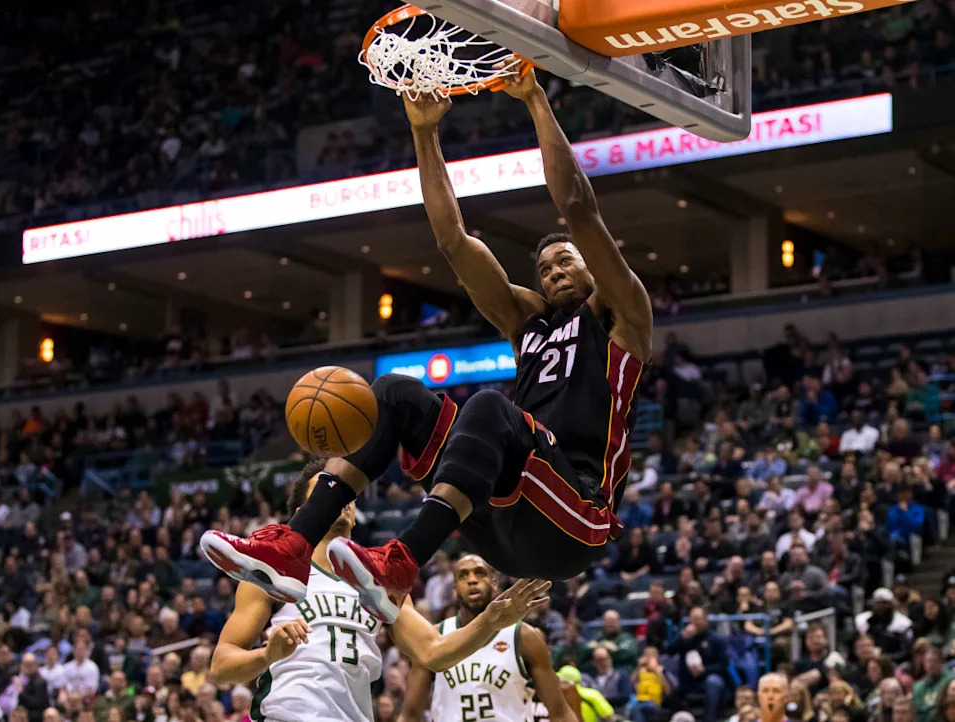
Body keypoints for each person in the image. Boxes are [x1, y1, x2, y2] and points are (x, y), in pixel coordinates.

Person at [201, 65, 654, 623]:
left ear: (593, 269)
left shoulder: (624, 319)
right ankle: (293, 547)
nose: (555, 271)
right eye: (544, 268)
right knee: (391, 392)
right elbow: (453, 241)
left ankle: (403, 560)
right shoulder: (528, 327)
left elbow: (579, 210)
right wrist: (424, 131)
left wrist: (536, 99)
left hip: (575, 517)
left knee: (491, 405)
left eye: (566, 261)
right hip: (503, 515)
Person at [210, 464, 550, 722]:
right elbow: (221, 666)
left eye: (345, 495)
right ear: (303, 513)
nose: (339, 501)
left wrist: (491, 620)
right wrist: (267, 655)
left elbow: (433, 652)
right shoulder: (272, 574)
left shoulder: (376, 576)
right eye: (325, 494)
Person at [398, 555, 576, 722]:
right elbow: (410, 715)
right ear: (454, 590)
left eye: (480, 573)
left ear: (494, 583)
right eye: (463, 576)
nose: (472, 580)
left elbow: (559, 712)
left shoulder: (524, 637)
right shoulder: (434, 638)